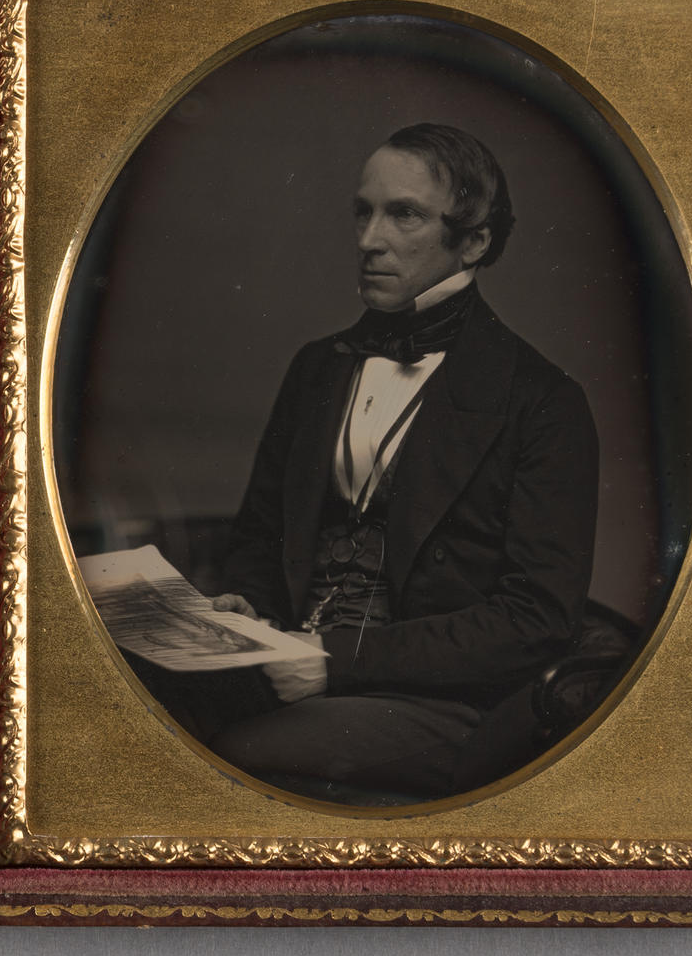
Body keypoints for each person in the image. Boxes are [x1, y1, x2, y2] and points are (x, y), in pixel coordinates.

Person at [126, 123, 600, 800]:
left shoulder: (543, 402)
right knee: (123, 705)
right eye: (363, 210)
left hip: (436, 700)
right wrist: (246, 603)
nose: (368, 239)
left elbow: (535, 619)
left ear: (475, 240)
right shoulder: (318, 367)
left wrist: (334, 660)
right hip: (287, 663)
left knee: (212, 757)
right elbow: (262, 533)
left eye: (402, 214)